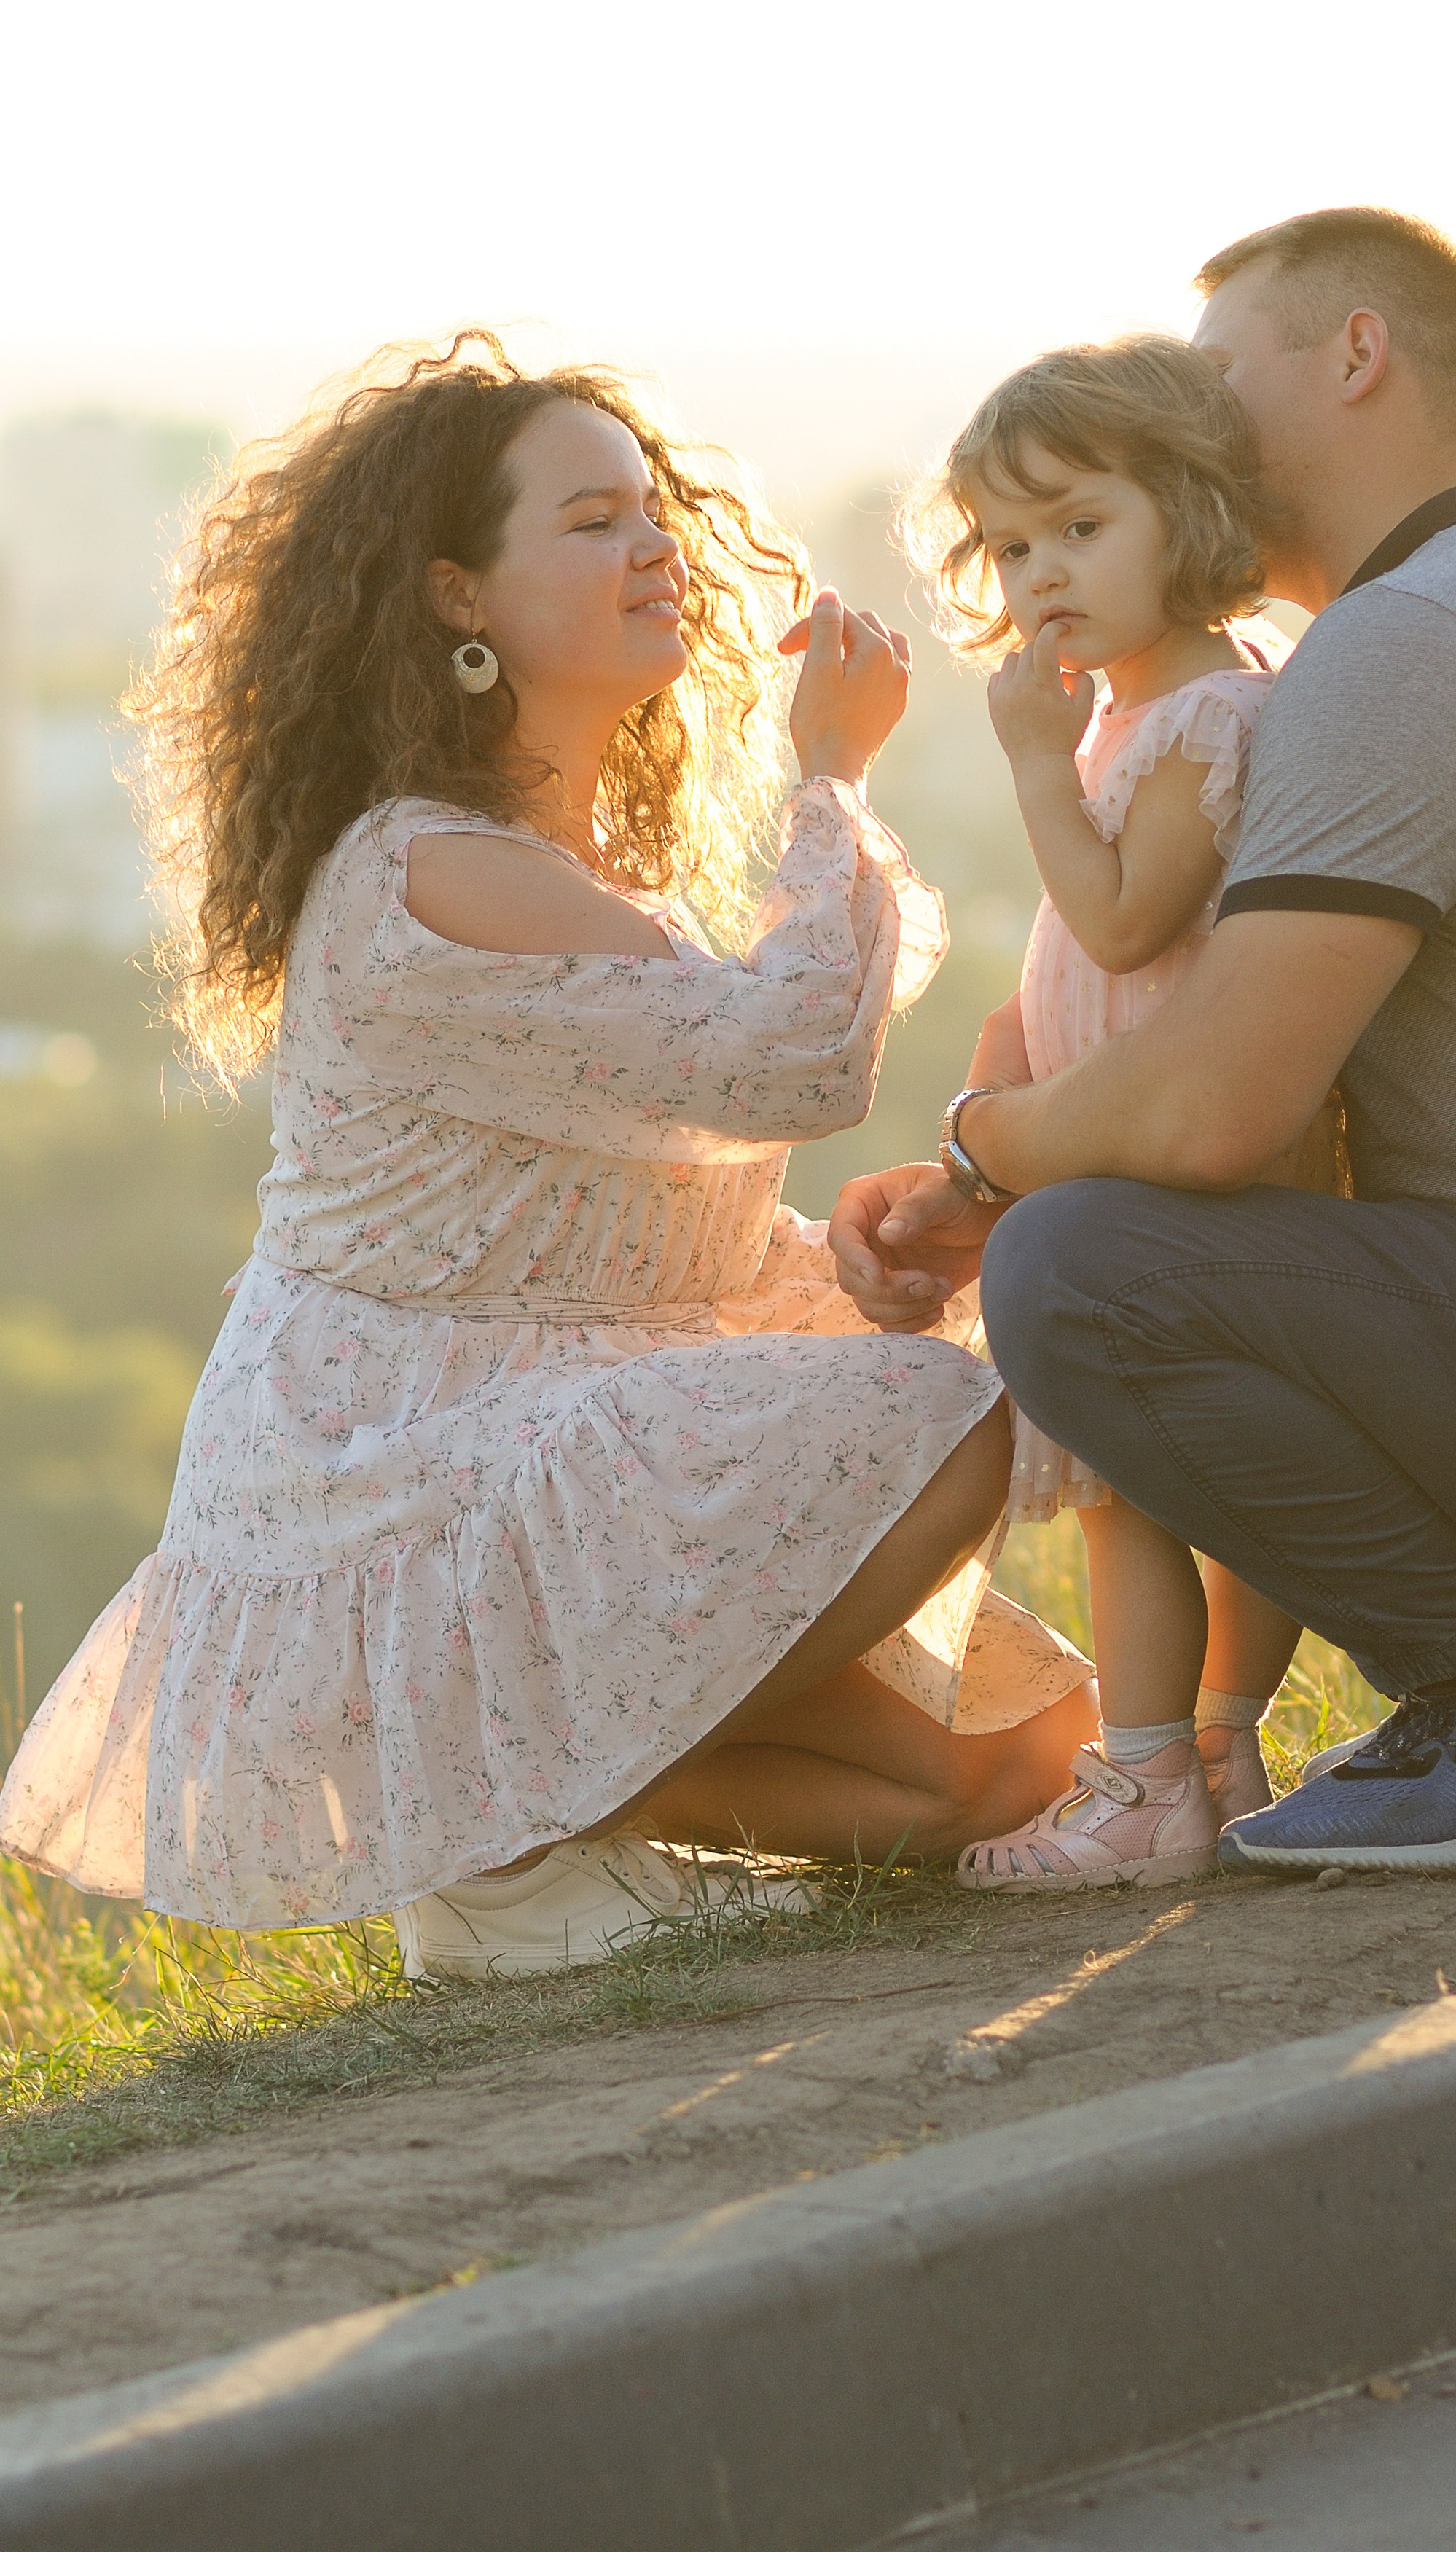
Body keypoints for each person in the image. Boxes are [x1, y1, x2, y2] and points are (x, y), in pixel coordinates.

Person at [0, 334, 1092, 1976]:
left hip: (539, 1441)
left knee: (1022, 1762)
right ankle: (504, 1842)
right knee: (950, 1417)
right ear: (457, 595)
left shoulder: (556, 868)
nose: (654, 545)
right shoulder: (426, 868)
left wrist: (835, 1262)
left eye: (651, 509)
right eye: (590, 521)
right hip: (409, 1477)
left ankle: (527, 1833)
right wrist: (830, 774)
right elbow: (800, 1058)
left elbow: (596, 1233)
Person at [831, 208, 1456, 1879]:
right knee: (1109, 1232)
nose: (1189, 415)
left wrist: (980, 1160)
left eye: (1217, 373)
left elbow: (1216, 1111)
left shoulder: (1415, 645)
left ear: (1357, 355)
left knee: (1079, 1271)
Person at [902, 334, 1335, 1890]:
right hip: (1114, 1146)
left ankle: (1148, 1779)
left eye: (1081, 529)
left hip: (1164, 1172)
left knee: (1128, 1491)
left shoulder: (1197, 714)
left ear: (1190, 514)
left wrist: (1030, 768)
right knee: (1170, 1483)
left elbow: (1125, 922)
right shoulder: (1146, 704)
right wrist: (1008, 1063)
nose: (1040, 575)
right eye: (1011, 547)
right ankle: (1211, 1749)